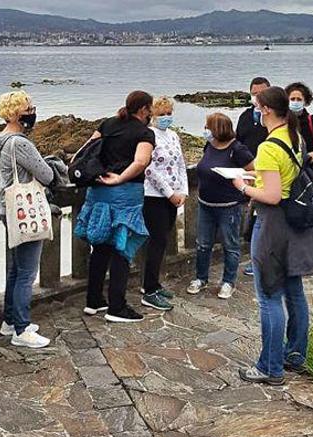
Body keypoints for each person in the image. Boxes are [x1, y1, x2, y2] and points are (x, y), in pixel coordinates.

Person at [232, 86, 313, 386]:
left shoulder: (269, 147)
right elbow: (282, 182)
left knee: (269, 296)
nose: (255, 111)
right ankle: (294, 354)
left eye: (257, 106)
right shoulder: (294, 137)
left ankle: (270, 367)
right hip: (293, 223)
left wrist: (243, 187)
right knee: (294, 290)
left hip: (272, 225)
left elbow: (270, 195)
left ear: (266, 110)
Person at [75, 90, 154, 323]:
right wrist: (120, 178)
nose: (151, 114)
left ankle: (94, 300)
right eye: (149, 109)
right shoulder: (144, 132)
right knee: (122, 248)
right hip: (125, 195)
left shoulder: (108, 124)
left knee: (100, 245)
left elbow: (85, 151)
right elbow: (140, 162)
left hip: (98, 191)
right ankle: (117, 307)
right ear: (143, 110)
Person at [187, 113, 254, 300]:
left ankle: (228, 281)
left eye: (208, 127)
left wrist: (245, 187)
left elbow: (253, 170)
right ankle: (201, 278)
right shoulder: (209, 145)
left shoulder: (237, 149)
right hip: (205, 203)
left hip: (229, 206)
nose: (205, 130)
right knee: (203, 244)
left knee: (230, 245)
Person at [141, 96, 188, 312]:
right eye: (162, 114)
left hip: (174, 194)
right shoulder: (148, 136)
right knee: (156, 240)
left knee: (163, 240)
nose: (166, 117)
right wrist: (169, 193)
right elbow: (149, 169)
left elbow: (181, 164)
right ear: (152, 115)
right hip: (154, 196)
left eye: (169, 113)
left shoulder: (174, 136)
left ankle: (154, 283)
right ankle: (148, 289)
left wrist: (183, 191)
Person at [236, 77, 271, 278]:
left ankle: (262, 260)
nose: (257, 97)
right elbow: (238, 142)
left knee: (265, 220)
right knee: (252, 222)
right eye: (254, 93)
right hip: (248, 174)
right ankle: (255, 257)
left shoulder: (277, 119)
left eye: (261, 93)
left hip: (268, 175)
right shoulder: (245, 117)